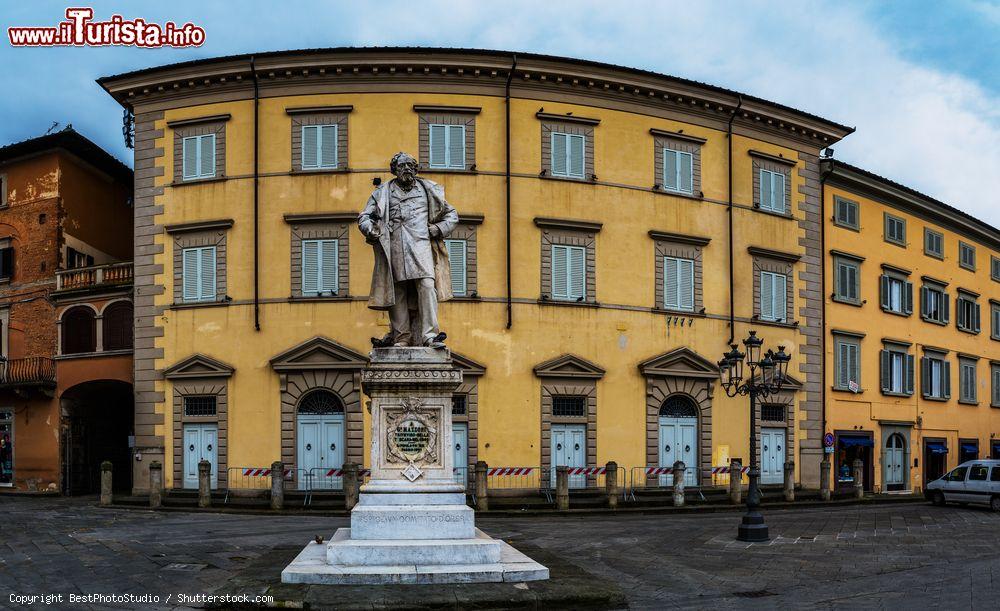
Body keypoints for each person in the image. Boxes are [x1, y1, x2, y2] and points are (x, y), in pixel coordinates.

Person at [358, 152, 459, 348]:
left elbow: (452, 215)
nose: (406, 169)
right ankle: (401, 337)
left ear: (416, 169)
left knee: (427, 285)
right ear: (394, 170)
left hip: (421, 245)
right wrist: (370, 229)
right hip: (394, 245)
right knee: (398, 291)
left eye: (410, 166)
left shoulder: (429, 190)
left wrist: (438, 229)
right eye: (402, 165)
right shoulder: (381, 193)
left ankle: (430, 335)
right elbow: (364, 216)